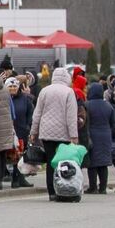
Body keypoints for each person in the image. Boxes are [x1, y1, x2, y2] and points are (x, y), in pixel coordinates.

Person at [28, 67, 80, 199]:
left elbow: (37, 113)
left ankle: (51, 192)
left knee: (51, 161)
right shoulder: (69, 92)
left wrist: (33, 132)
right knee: (63, 162)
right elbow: (71, 116)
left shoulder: (44, 91)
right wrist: (74, 135)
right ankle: (63, 189)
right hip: (64, 133)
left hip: (46, 132)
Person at [82, 82, 115, 193]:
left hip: (91, 134)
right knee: (103, 163)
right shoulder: (108, 105)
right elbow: (113, 122)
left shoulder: (87, 105)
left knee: (92, 163)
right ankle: (103, 188)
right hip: (105, 135)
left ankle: (93, 187)